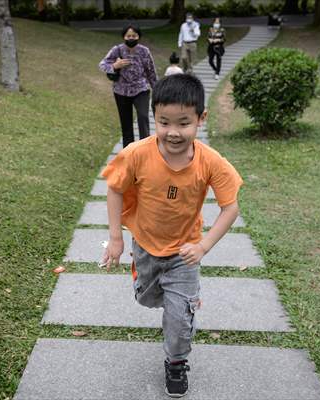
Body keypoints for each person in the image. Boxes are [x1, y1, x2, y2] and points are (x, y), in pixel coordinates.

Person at [100, 74, 242, 398]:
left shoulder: (210, 161)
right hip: (146, 246)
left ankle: (176, 360)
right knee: (146, 298)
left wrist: (204, 246)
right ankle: (176, 298)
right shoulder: (137, 153)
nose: (173, 132)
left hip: (185, 253)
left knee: (178, 319)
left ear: (201, 119)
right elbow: (114, 188)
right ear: (154, 117)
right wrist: (117, 239)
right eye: (164, 122)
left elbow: (230, 208)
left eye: (184, 123)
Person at [99, 24, 158, 149]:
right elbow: (102, 64)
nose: (131, 38)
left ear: (138, 37)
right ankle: (129, 152)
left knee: (143, 117)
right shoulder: (117, 50)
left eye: (134, 35)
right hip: (121, 91)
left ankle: (145, 148)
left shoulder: (144, 51)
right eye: (128, 36)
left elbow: (151, 71)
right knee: (126, 123)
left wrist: (157, 89)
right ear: (124, 37)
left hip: (141, 89)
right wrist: (115, 66)